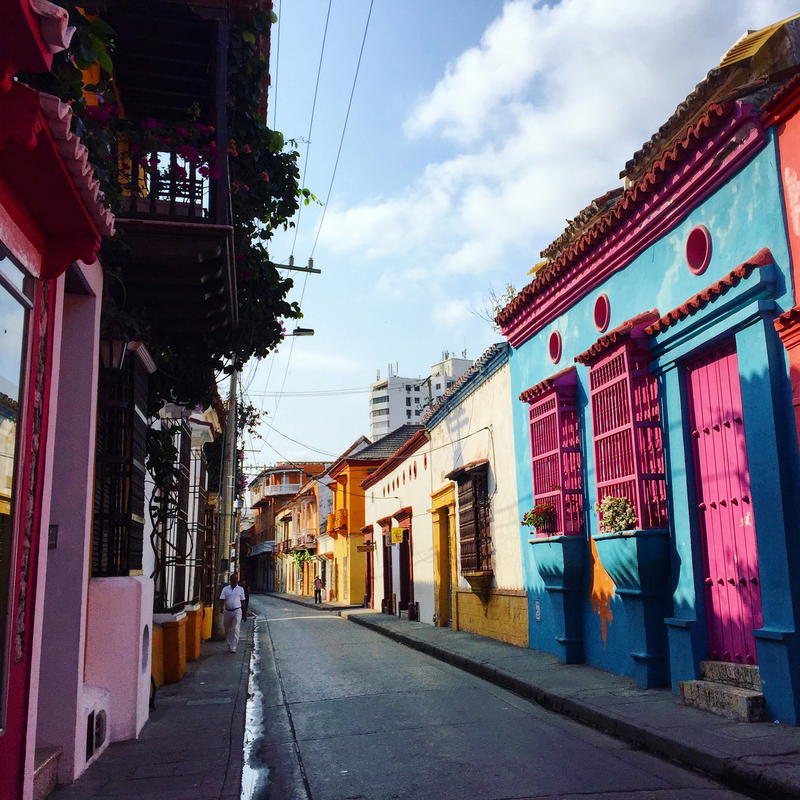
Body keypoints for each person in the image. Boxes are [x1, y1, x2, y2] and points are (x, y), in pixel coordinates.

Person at [218, 573, 247, 653]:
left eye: (236, 580)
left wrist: (244, 613)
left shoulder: (240, 589)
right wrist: (221, 607)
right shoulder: (225, 589)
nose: (235, 581)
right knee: (227, 629)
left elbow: (243, 601)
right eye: (233, 580)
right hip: (227, 611)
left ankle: (233, 647)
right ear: (230, 581)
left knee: (235, 629)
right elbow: (222, 599)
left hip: (237, 611)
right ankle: (229, 644)